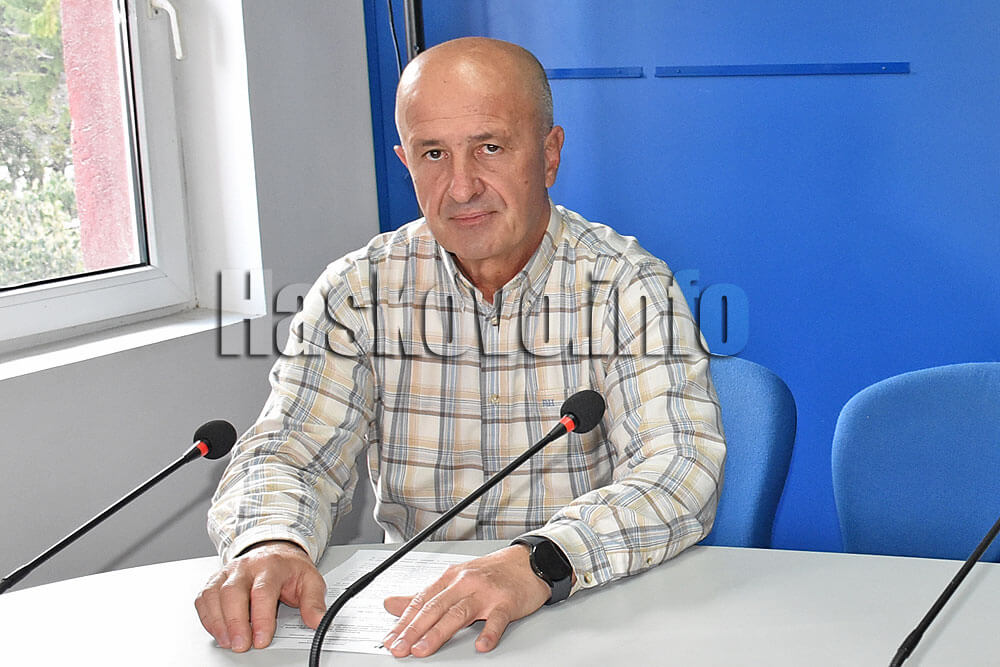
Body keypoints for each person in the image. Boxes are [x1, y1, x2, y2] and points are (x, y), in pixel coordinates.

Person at [195, 37, 726, 658]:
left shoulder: (628, 287)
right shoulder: (358, 291)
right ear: (406, 162)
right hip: (414, 624)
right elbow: (291, 453)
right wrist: (270, 542)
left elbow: (678, 469)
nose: (462, 186)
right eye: (433, 154)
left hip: (585, 606)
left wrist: (538, 562)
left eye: (490, 148)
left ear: (549, 155)